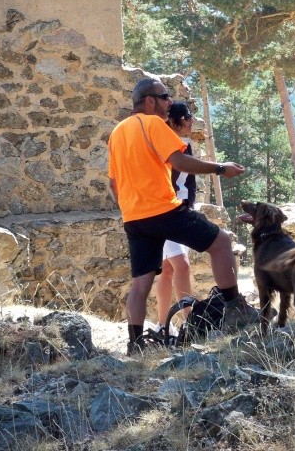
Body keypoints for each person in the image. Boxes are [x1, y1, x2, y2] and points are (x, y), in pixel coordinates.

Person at [108, 78, 258, 355]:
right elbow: (179, 161)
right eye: (165, 97)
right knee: (221, 242)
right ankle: (236, 310)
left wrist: (129, 208)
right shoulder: (152, 123)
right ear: (150, 101)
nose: (169, 103)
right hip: (163, 208)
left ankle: (135, 344)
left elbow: (113, 182)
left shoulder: (117, 132)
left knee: (141, 282)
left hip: (133, 217)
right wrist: (220, 168)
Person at [153, 101, 196, 335]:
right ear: (177, 120)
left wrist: (190, 208)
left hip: (181, 211)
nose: (191, 121)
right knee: (182, 265)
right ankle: (191, 324)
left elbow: (189, 182)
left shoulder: (185, 146)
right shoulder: (162, 144)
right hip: (165, 211)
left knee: (168, 269)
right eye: (188, 117)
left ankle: (162, 325)